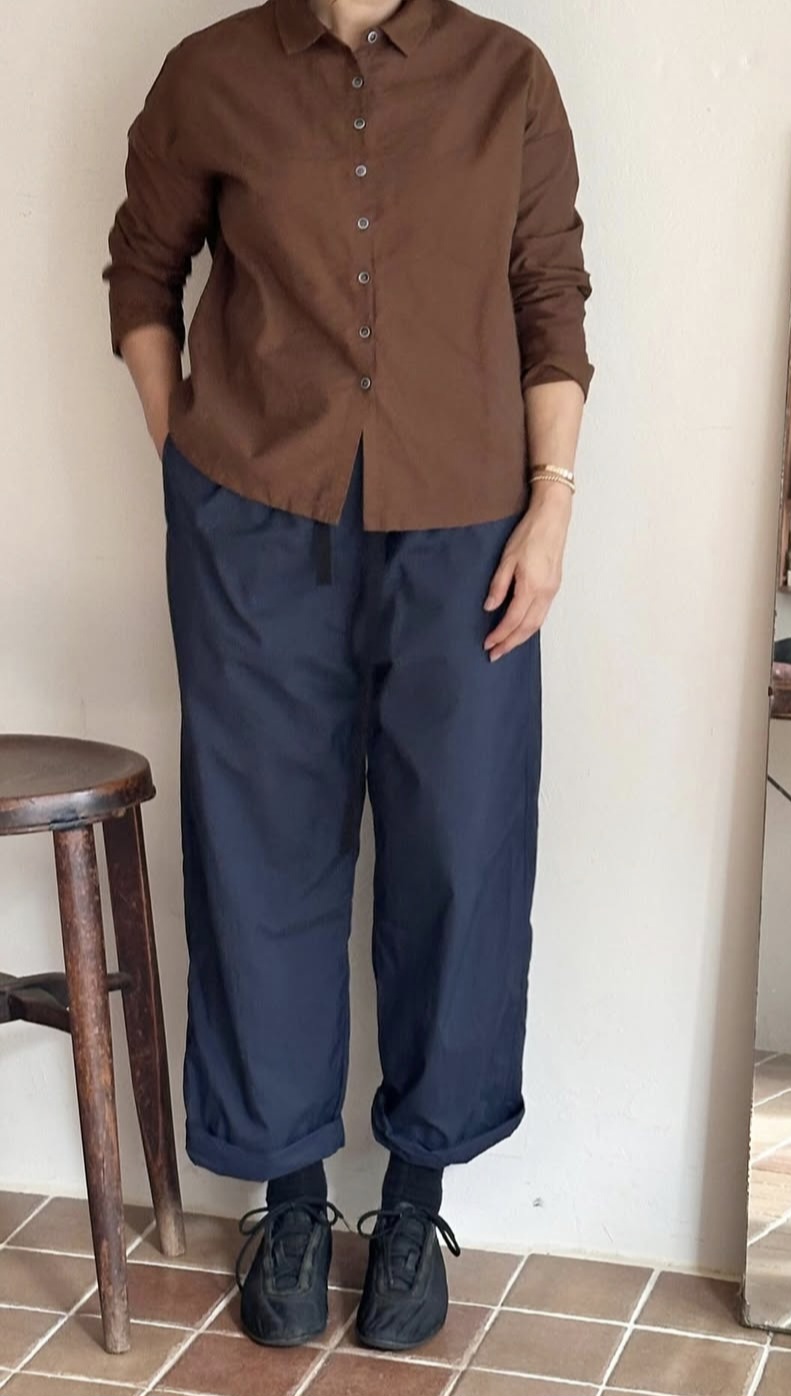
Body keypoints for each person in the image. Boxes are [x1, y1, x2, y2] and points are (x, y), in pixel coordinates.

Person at [102, 0, 592, 1354]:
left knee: (462, 853)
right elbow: (142, 274)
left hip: (469, 533)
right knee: (260, 857)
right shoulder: (209, 75)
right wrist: (187, 461)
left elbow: (550, 300)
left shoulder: (508, 77)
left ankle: (417, 1198)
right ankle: (292, 1200)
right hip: (256, 527)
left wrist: (552, 506)